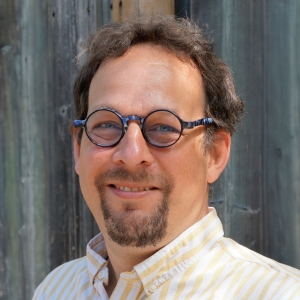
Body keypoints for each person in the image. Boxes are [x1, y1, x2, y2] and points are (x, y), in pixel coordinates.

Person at [33, 14, 300, 299]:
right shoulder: (54, 289)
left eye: (164, 127)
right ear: (78, 148)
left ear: (214, 154)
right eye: (107, 125)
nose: (132, 154)